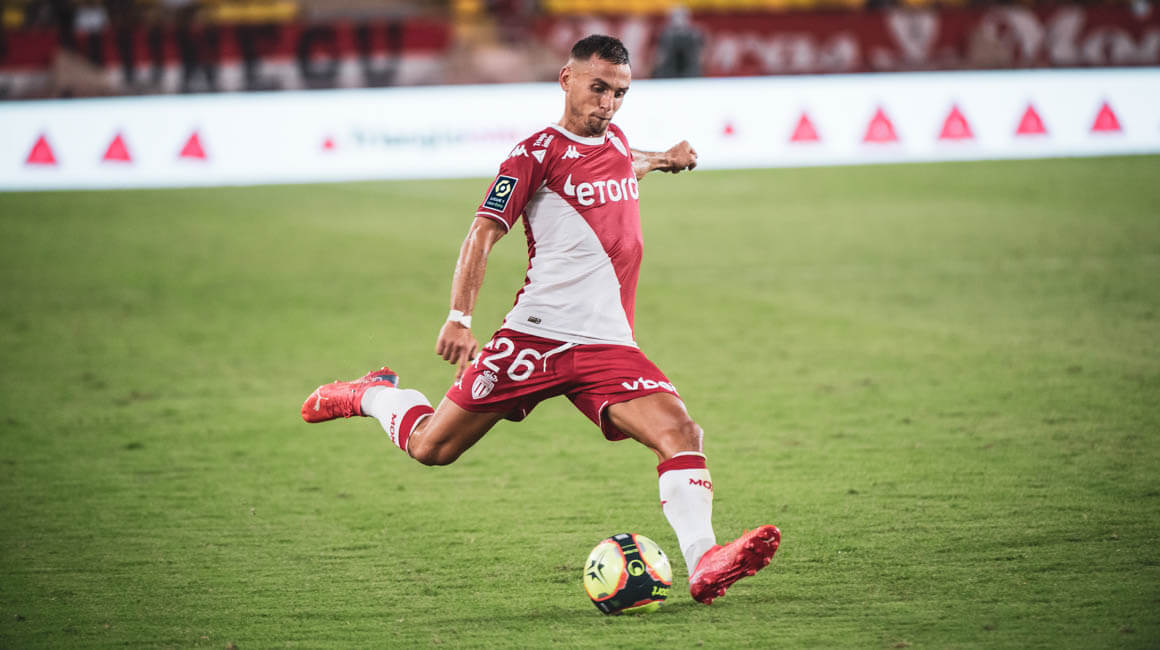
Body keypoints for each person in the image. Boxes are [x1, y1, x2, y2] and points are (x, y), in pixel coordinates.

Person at [301, 34, 779, 605]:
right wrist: (459, 317)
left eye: (619, 93)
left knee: (681, 433)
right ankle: (373, 394)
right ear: (566, 79)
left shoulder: (616, 139)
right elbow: (482, 233)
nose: (607, 103)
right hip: (537, 336)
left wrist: (663, 159)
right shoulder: (533, 155)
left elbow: (623, 164)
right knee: (433, 448)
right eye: (598, 88)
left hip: (606, 343)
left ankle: (704, 562)